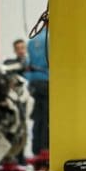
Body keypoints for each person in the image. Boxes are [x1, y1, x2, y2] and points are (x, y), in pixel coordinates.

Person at [24, 26, 49, 157]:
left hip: (34, 83)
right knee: (47, 119)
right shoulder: (53, 39)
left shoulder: (32, 41)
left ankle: (36, 149)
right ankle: (45, 148)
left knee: (37, 118)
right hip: (48, 82)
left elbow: (28, 64)